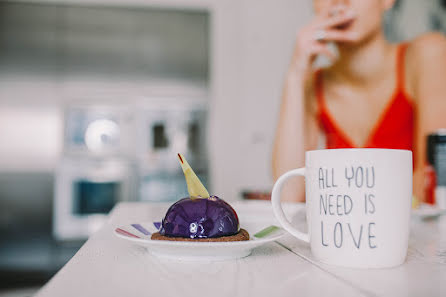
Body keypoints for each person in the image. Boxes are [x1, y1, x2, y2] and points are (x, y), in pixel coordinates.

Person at [272, 0, 446, 202]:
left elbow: (434, 182)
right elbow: (288, 197)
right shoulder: (313, 84)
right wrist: (296, 73)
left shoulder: (428, 54)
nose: (340, 3)